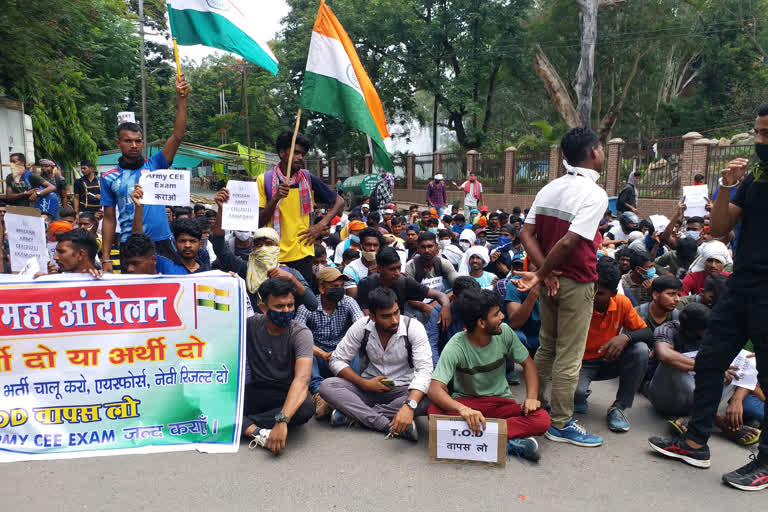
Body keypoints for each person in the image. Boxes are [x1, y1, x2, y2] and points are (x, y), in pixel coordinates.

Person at [647, 111, 768, 489]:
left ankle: (765, 464)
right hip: (741, 284)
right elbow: (719, 228)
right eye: (759, 133)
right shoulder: (755, 178)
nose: (761, 141)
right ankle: (696, 442)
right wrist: (728, 186)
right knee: (711, 358)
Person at [513, 127, 609, 447]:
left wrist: (543, 272)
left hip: (552, 281)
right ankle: (561, 423)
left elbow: (526, 235)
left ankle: (533, 403)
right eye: (601, 148)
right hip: (576, 282)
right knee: (569, 355)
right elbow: (569, 243)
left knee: (547, 347)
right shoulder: (594, 194)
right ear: (593, 152)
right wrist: (543, 274)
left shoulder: (549, 188)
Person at [427, 289, 551, 461]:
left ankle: (479, 437)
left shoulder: (505, 332)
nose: (502, 317)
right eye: (496, 314)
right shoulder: (456, 345)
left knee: (542, 419)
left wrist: (531, 397)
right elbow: (434, 389)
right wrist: (463, 410)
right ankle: (507, 442)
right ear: (481, 323)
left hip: (500, 403)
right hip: (467, 403)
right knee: (434, 411)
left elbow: (528, 364)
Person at [319, 287, 432, 440]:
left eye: (396, 312)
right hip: (368, 388)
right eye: (386, 316)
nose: (394, 320)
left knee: (428, 396)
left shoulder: (414, 327)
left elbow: (424, 371)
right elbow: (336, 359)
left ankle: (351, 415)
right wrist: (364, 383)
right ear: (372, 316)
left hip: (404, 390)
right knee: (327, 386)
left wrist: (408, 406)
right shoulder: (362, 326)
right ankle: (387, 425)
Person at [101, 76, 190, 269]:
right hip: (130, 244)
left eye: (138, 141)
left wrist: (181, 99)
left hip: (162, 242)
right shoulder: (108, 178)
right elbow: (109, 218)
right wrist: (106, 257)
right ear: (118, 143)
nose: (134, 145)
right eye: (128, 141)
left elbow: (178, 135)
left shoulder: (155, 164)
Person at [575, 257, 651, 432]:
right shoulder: (579, 301)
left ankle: (619, 407)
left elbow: (648, 334)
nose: (593, 296)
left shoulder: (622, 303)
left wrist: (625, 338)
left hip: (607, 359)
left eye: (600, 293)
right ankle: (580, 395)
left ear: (614, 293)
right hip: (579, 363)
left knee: (640, 350)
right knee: (576, 394)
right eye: (591, 289)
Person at [257, 132, 344, 283]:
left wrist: (320, 225)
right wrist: (276, 198)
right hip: (273, 256)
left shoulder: (308, 178)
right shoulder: (264, 180)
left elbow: (340, 202)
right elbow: (258, 221)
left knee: (301, 303)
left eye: (302, 154)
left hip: (303, 255)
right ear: (282, 153)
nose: (301, 157)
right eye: (296, 152)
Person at [242, 278, 314, 454]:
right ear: (264, 307)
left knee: (305, 408)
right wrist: (226, 283)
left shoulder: (300, 333)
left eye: (290, 305)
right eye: (280, 307)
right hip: (256, 391)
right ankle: (256, 431)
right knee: (220, 400)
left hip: (285, 393)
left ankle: (242, 424)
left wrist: (282, 420)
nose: (287, 311)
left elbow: (302, 379)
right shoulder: (250, 325)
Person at [295, 267, 364, 418]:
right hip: (318, 354)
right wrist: (322, 353)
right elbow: (297, 337)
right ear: (321, 288)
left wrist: (344, 349)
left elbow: (361, 326)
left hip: (342, 350)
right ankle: (319, 396)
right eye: (334, 287)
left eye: (341, 286)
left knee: (355, 352)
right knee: (305, 352)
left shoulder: (348, 302)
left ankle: (344, 395)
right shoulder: (307, 307)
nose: (339, 290)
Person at [646, 304, 710, 417]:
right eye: (705, 328)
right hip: (665, 395)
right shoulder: (667, 329)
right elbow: (664, 355)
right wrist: (706, 366)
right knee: (672, 361)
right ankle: (710, 415)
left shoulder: (708, 336)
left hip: (692, 391)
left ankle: (691, 416)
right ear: (693, 328)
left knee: (732, 368)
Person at [358, 247, 452, 322]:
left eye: (399, 268)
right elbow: (366, 318)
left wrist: (446, 307)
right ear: (379, 269)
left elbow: (440, 295)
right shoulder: (366, 284)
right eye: (392, 269)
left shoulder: (404, 281)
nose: (397, 272)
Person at [425, 276, 480, 366]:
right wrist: (440, 374)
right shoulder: (438, 312)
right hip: (448, 363)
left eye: (474, 300)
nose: (471, 305)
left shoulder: (479, 308)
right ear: (454, 298)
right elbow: (431, 346)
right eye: (466, 300)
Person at [404, 231, 458, 318]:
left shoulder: (444, 263)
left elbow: (459, 285)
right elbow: (408, 295)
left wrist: (442, 301)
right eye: (423, 247)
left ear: (437, 247)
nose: (427, 251)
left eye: (430, 246)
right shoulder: (410, 266)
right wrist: (426, 307)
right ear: (418, 248)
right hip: (418, 305)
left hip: (440, 301)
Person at [343, 227, 384, 299]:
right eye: (368, 244)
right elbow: (353, 299)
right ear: (361, 246)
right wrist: (369, 280)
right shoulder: (351, 269)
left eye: (375, 245)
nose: (372, 248)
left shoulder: (384, 265)